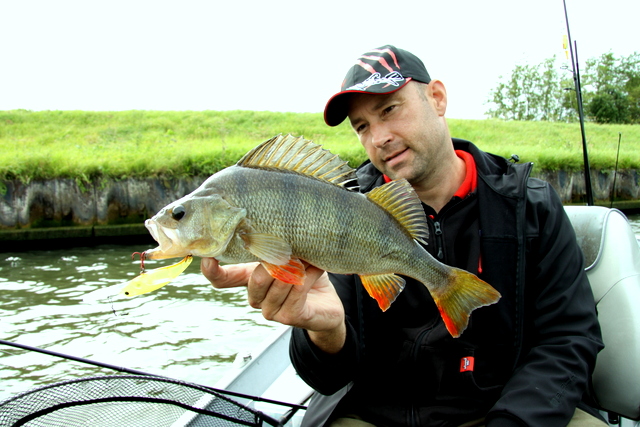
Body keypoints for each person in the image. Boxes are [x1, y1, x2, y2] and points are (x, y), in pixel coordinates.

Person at [201, 45, 605, 426]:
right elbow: (327, 379)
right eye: (362, 126)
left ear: (438, 98)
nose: (378, 138)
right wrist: (324, 331)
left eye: (390, 109)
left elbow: (569, 338)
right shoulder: (341, 209)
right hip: (376, 414)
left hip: (506, 409)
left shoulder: (528, 206)